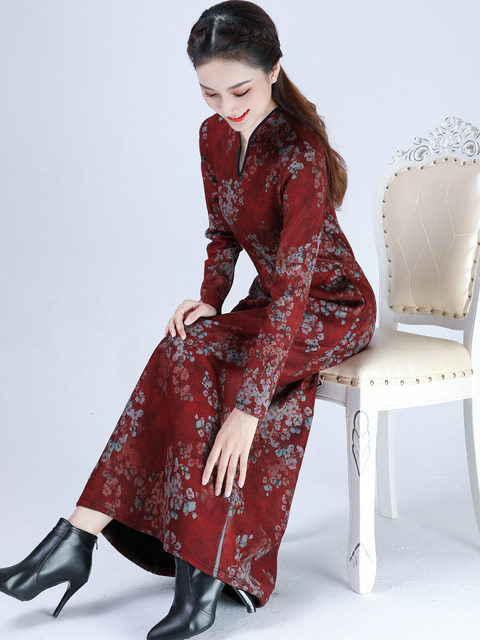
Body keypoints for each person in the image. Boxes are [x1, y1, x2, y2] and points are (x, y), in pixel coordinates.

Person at [0, 1, 377, 638]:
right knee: (183, 344)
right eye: (210, 93)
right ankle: (84, 539)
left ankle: (190, 572)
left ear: (274, 71)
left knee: (232, 379)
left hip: (333, 307)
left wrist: (249, 409)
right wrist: (211, 296)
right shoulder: (213, 138)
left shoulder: (300, 152)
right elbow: (222, 232)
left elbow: (294, 290)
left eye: (241, 91)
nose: (227, 108)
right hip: (273, 302)